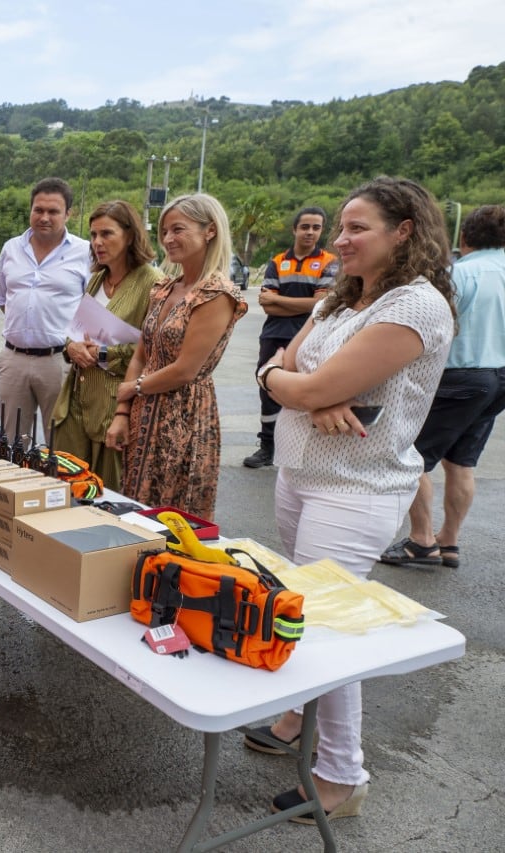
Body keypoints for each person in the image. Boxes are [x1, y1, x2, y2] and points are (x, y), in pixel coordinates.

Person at [245, 176, 455, 822]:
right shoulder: (343, 299)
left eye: (358, 227)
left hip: (356, 488)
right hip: (302, 474)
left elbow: (297, 379)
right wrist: (294, 381)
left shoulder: (416, 306)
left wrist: (300, 385)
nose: (341, 238)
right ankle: (292, 715)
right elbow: (287, 362)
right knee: (304, 613)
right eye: (341, 225)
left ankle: (340, 773)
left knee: (329, 630)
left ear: (406, 231)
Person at [379, 204, 505, 569]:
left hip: (460, 376)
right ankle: (449, 541)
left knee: (410, 455)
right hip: (498, 378)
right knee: (461, 462)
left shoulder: (460, 274)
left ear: (464, 237)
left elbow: (435, 325)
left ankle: (421, 539)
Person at [106, 194, 247, 520]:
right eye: (165, 231)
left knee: (172, 515)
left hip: (182, 416)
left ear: (209, 230)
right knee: (136, 507)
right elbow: (141, 353)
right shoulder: (165, 288)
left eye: (178, 230)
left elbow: (185, 370)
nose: (168, 239)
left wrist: (133, 389)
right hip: (143, 411)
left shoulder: (217, 293)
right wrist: (123, 411)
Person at [49, 200, 161, 490]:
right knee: (68, 488)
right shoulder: (97, 278)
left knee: (107, 494)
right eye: (93, 235)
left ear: (130, 235)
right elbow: (76, 333)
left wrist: (102, 353)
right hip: (76, 400)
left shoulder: (153, 283)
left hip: (115, 406)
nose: (97, 242)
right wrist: (71, 348)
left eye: (106, 234)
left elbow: (153, 352)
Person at [0, 177, 91, 442]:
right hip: (14, 359)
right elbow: (4, 300)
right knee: (13, 444)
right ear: (30, 210)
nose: (44, 217)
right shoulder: (11, 248)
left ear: (69, 214)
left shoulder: (85, 252)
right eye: (38, 210)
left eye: (53, 211)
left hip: (59, 362)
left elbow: (94, 307)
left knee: (60, 445)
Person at [244, 207, 340, 468]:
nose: (310, 232)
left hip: (310, 334)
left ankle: (298, 449)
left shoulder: (330, 261)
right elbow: (267, 305)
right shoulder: (277, 261)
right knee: (267, 389)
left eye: (316, 227)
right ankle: (267, 447)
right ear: (294, 229)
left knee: (303, 391)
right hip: (274, 333)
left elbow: (322, 304)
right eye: (305, 226)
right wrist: (302, 302)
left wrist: (279, 299)